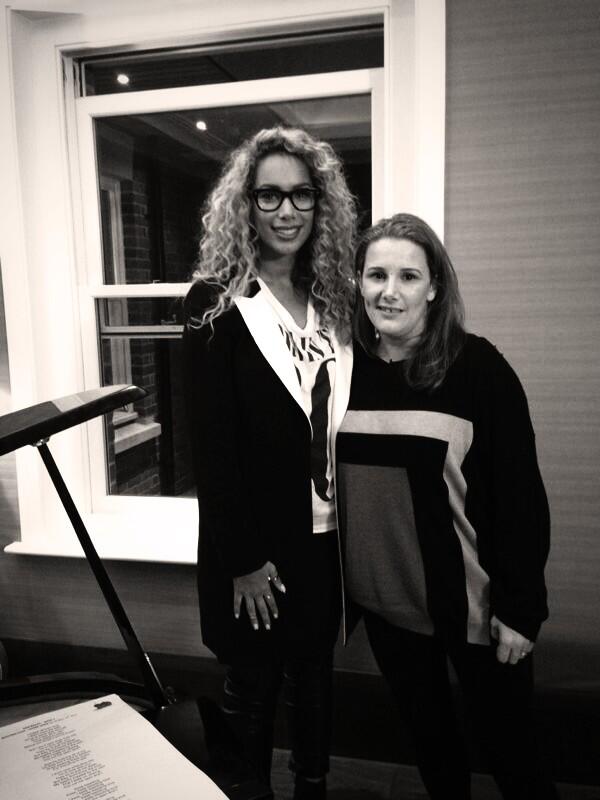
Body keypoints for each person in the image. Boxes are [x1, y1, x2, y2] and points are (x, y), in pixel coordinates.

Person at [336, 213, 558, 799]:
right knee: (433, 751)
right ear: (359, 282)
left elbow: (520, 498)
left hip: (475, 607)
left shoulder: (478, 368)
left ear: (434, 286)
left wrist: (522, 609)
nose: (390, 291)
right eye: (376, 275)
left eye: (408, 276)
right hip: (387, 608)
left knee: (514, 758)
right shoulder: (341, 372)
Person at [182, 126, 356, 799]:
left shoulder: (334, 300)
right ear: (246, 205)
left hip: (324, 537)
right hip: (255, 546)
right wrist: (244, 559)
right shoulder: (216, 301)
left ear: (320, 204)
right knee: (252, 685)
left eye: (302, 195)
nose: (287, 211)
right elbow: (212, 445)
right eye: (269, 196)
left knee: (315, 677)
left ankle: (313, 786)